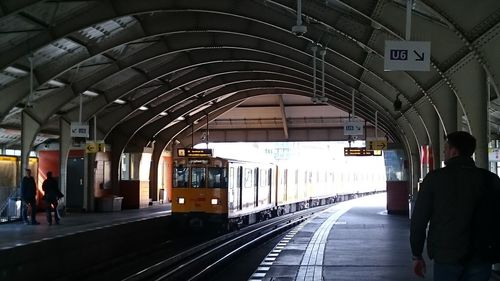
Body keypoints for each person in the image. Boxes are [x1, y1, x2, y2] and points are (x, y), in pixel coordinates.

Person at [410, 131, 499, 280]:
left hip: (446, 255)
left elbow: (419, 220)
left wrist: (416, 255)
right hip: (482, 254)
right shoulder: (490, 179)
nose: (444, 152)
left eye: (445, 149)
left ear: (453, 151)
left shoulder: (435, 179)